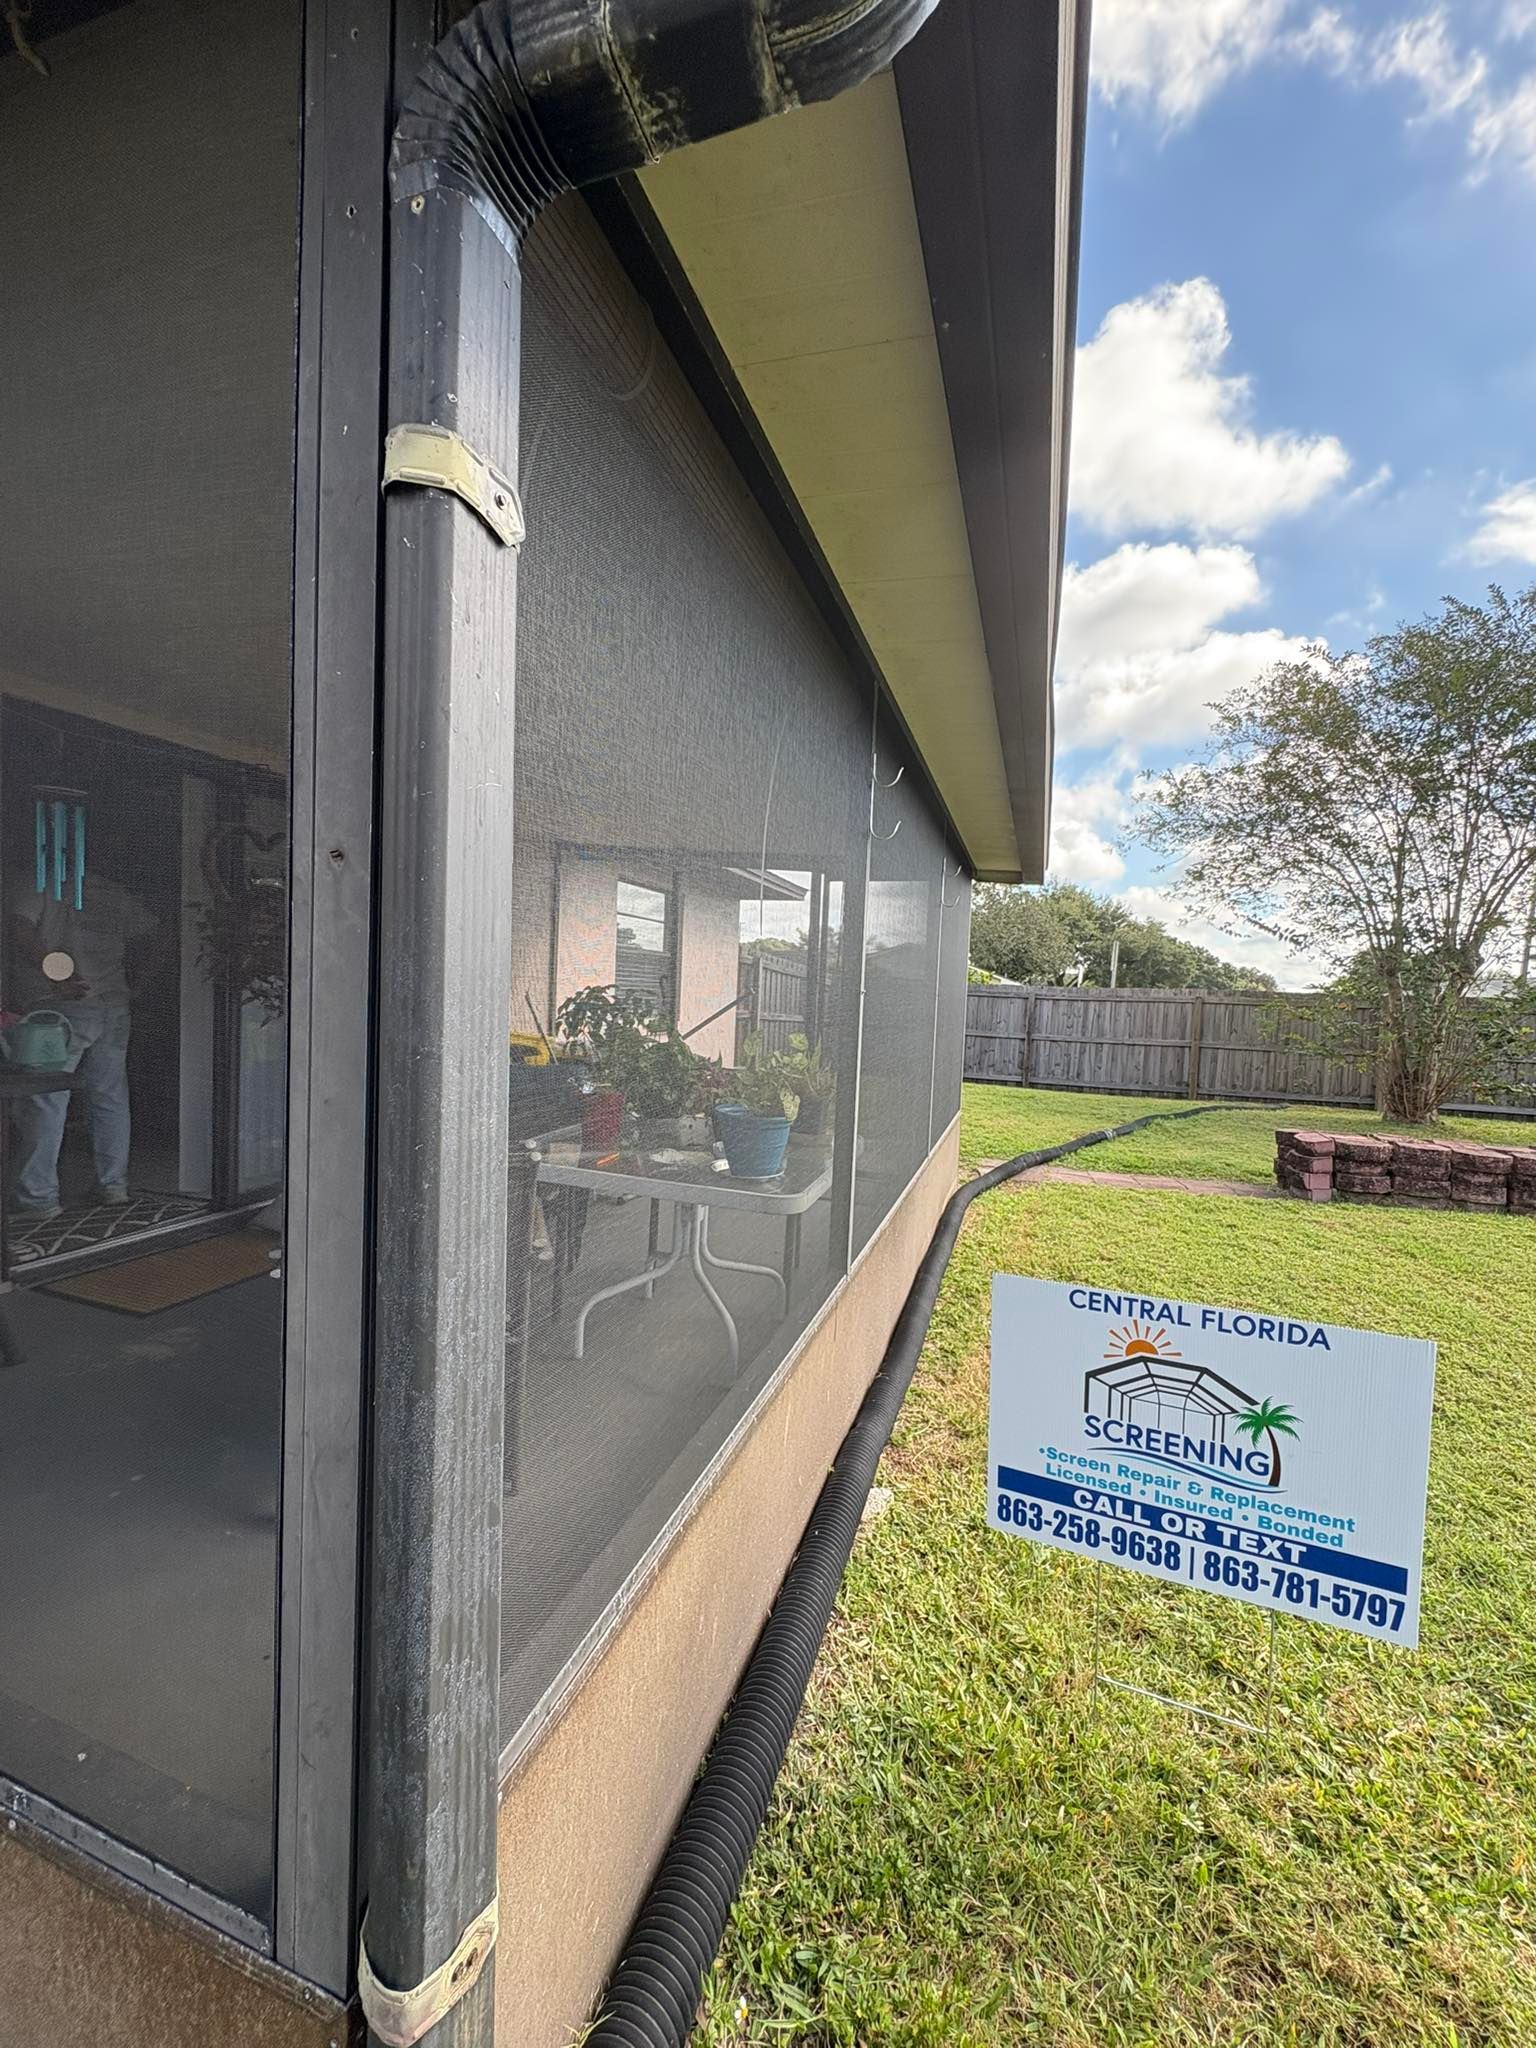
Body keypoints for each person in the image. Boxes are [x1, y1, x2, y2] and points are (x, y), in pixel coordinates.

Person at [6, 870, 158, 1221]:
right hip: (113, 1004)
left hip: (60, 1005)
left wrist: (54, 976)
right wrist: (140, 982)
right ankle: (113, 1185)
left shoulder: (39, 880)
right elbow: (156, 933)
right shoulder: (113, 890)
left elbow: (20, 931)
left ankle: (38, 1198)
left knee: (45, 1098)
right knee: (110, 1097)